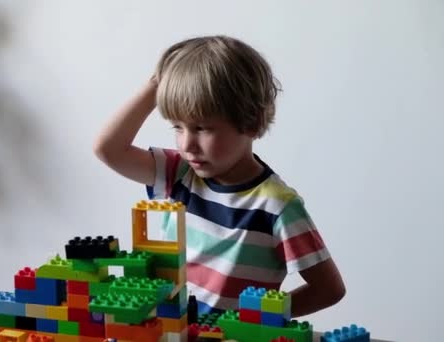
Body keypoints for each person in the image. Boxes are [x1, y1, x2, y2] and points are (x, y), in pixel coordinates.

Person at [93, 35, 345, 317]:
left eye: (202, 128)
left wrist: (259, 318)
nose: (186, 144)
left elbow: (328, 289)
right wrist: (156, 84)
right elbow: (108, 149)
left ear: (251, 122)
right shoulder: (178, 173)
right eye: (177, 127)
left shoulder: (277, 207)